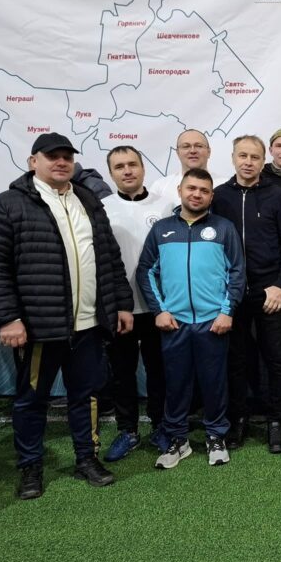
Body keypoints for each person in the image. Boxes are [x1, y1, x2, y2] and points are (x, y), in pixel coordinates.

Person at [0, 132, 134, 500]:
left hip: (89, 325)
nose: (61, 162)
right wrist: (7, 318)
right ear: (34, 162)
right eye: (52, 156)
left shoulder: (88, 201)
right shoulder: (7, 206)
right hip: (40, 328)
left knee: (86, 396)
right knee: (32, 399)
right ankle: (30, 467)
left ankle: (86, 458)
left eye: (67, 156)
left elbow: (109, 258)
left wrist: (122, 303)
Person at [138, 168, 245, 470]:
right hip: (175, 323)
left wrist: (226, 311)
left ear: (211, 196)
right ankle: (177, 439)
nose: (197, 194)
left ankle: (215, 436)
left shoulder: (224, 228)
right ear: (180, 191)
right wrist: (159, 310)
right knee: (176, 384)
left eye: (204, 190)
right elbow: (146, 271)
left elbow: (237, 272)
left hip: (213, 322)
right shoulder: (162, 230)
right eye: (192, 188)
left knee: (214, 383)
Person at [213, 135, 281, 454]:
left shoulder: (277, 195)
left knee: (276, 358)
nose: (248, 162)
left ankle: (276, 421)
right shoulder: (219, 196)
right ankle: (238, 419)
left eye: (255, 157)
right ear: (233, 158)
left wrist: (280, 283)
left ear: (264, 161)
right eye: (243, 156)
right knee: (235, 360)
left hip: (269, 292)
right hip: (231, 294)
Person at [99, 145, 171, 460]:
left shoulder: (166, 205)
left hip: (159, 307)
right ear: (111, 173)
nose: (127, 171)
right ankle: (127, 430)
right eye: (119, 167)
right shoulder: (101, 209)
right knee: (122, 373)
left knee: (159, 370)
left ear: (143, 168)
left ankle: (161, 426)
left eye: (132, 164)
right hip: (120, 308)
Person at [149, 128, 211, 209]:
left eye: (199, 146)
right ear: (177, 153)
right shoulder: (160, 188)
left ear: (209, 152)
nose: (192, 151)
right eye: (186, 146)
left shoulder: (223, 185)